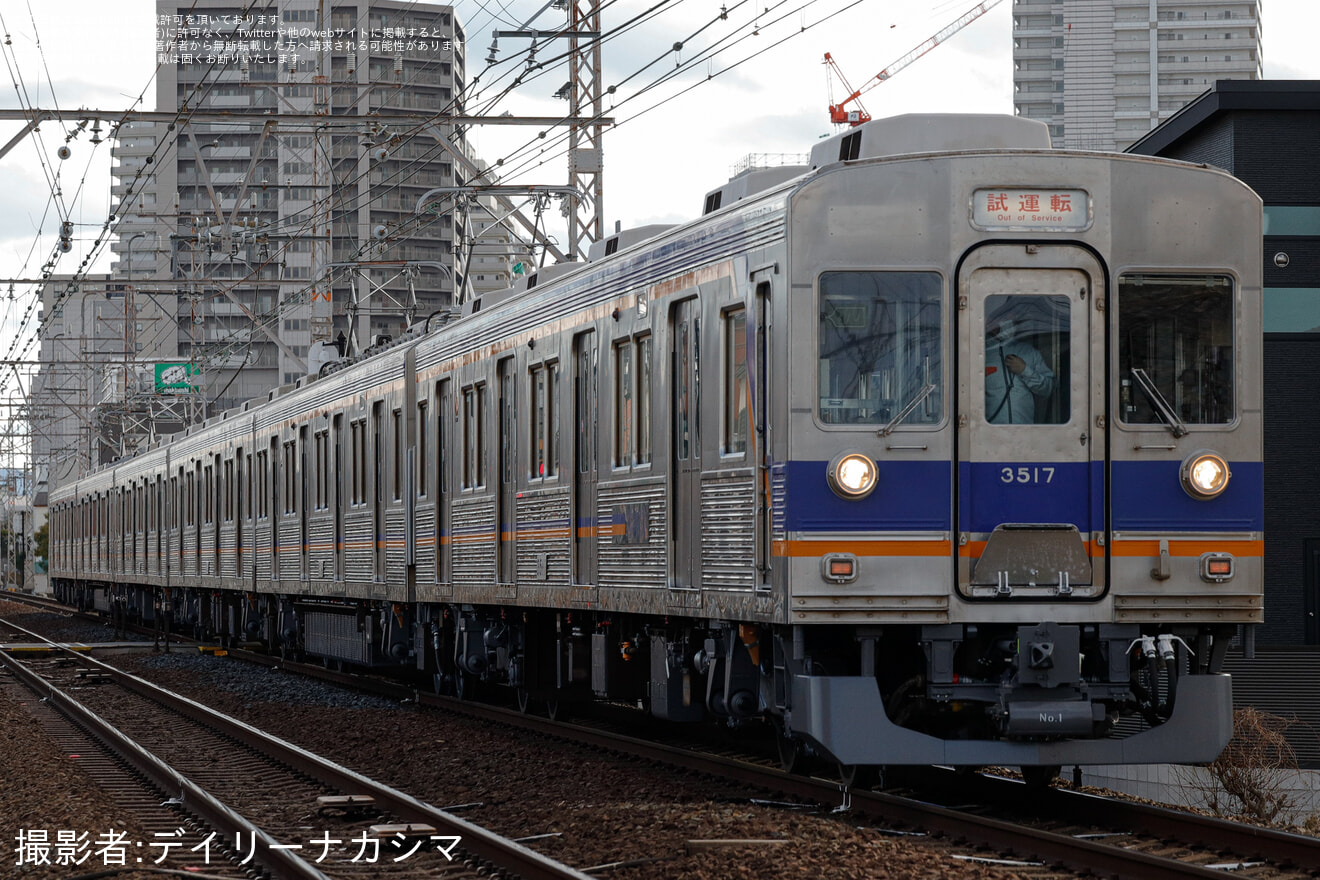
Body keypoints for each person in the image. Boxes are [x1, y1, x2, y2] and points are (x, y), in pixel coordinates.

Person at [985, 318, 1055, 424]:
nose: (999, 324)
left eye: (1004, 319)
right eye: (995, 320)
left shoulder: (1029, 352)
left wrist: (1025, 370)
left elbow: (1048, 389)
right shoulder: (981, 354)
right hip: (990, 432)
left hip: (1023, 432)